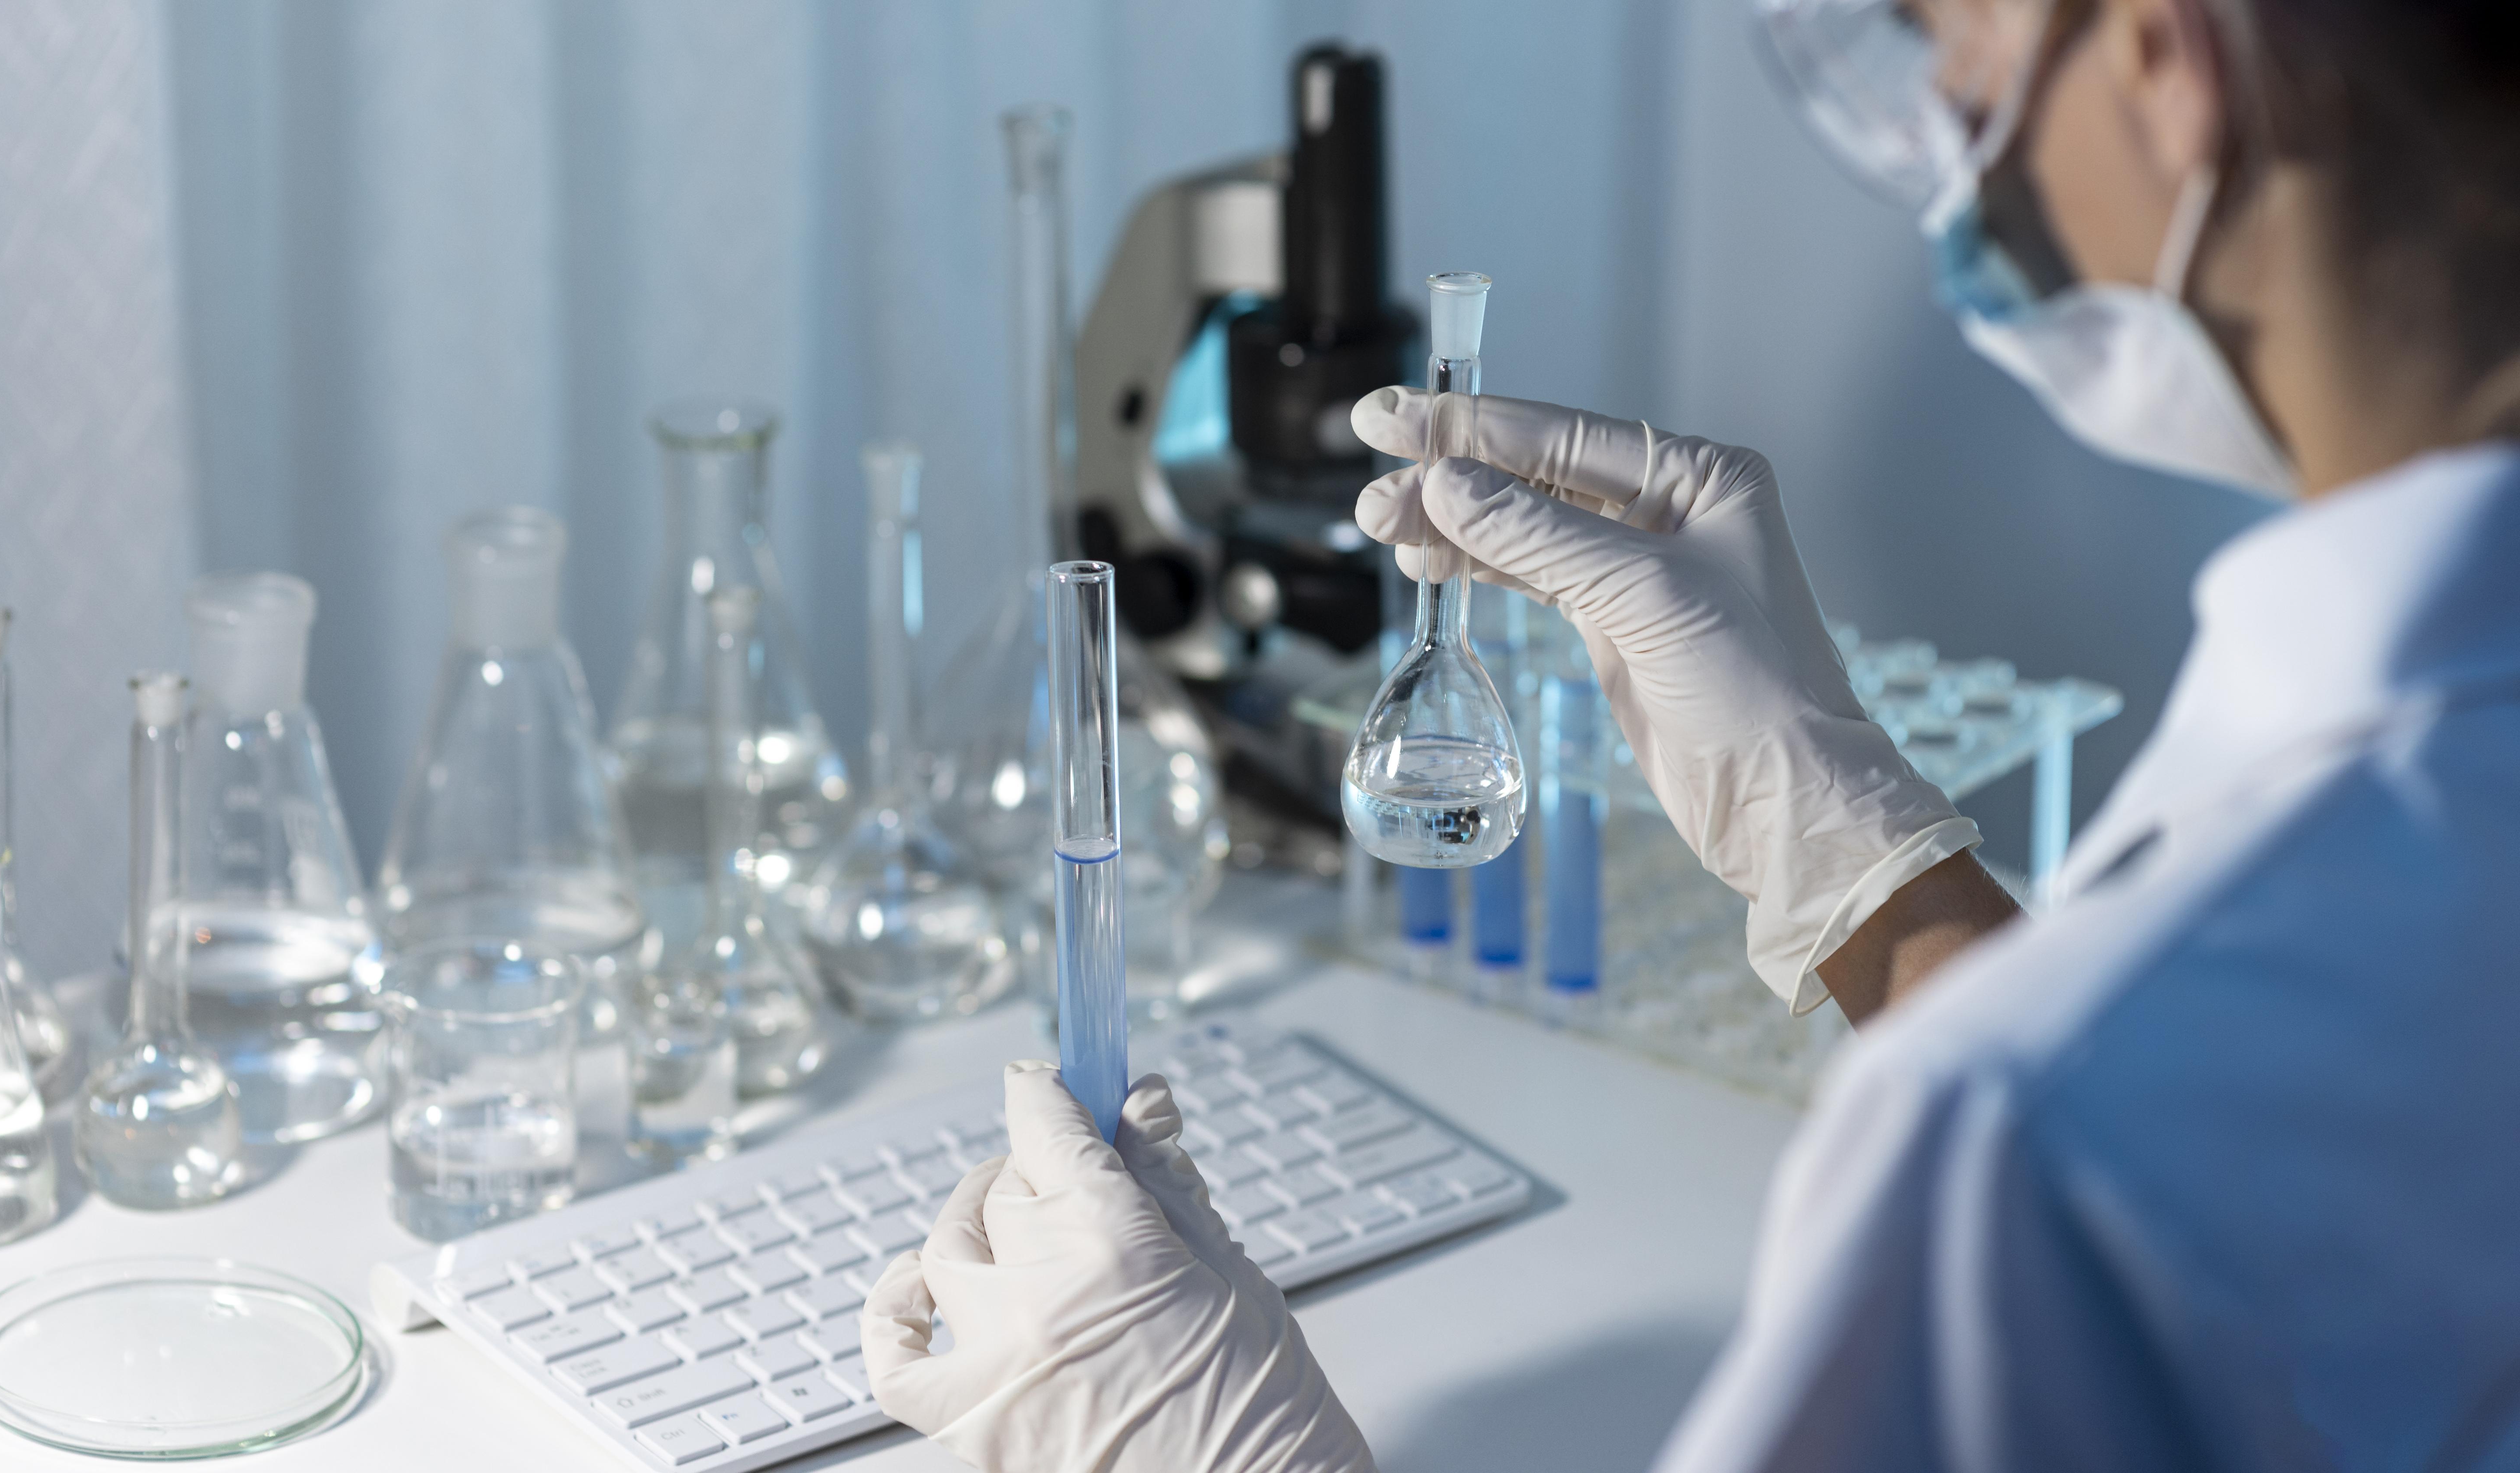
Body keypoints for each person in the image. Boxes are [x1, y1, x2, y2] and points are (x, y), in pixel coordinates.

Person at [861, 0, 2520, 1466]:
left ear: (2169, 57)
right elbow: (2248, 1222)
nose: (1944, 105)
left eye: (1955, 33)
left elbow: (2106, 1142)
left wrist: (1195, 1444)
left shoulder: (2014, 1127)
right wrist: (1873, 876)